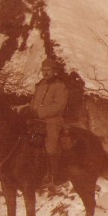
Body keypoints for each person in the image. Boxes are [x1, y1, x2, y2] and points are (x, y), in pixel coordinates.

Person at [24, 58, 69, 189]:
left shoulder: (60, 86)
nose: (45, 72)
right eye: (43, 70)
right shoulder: (40, 85)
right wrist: (26, 109)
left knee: (50, 145)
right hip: (36, 121)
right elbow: (33, 103)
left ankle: (53, 176)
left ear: (54, 71)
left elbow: (59, 106)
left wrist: (39, 112)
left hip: (52, 121)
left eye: (48, 70)